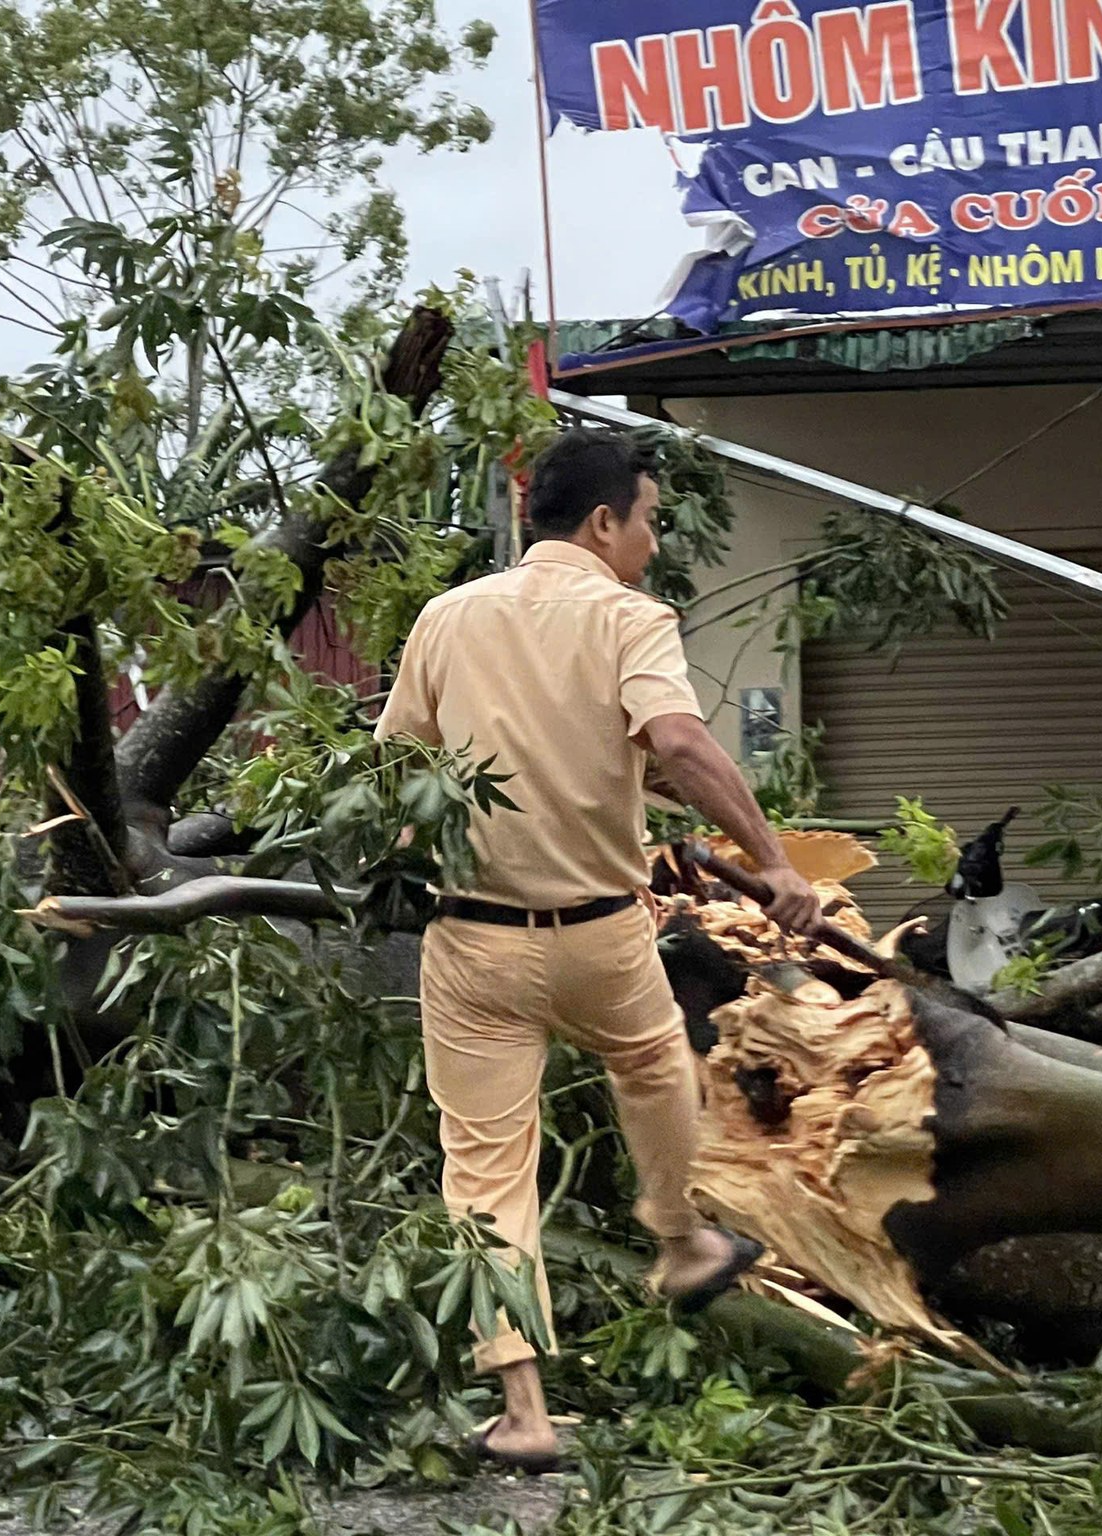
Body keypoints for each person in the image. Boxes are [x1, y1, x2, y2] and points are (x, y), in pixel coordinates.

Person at [374, 427, 822, 1472]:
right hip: (601, 936)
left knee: (486, 1175)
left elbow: (398, 772)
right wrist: (775, 863)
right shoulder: (629, 617)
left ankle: (523, 1409)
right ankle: (678, 1237)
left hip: (475, 939)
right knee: (657, 1065)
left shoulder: (446, 617)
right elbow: (679, 739)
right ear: (604, 521)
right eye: (649, 522)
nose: (653, 544)